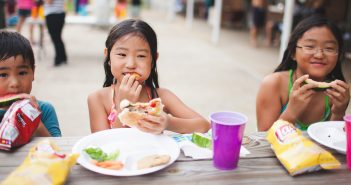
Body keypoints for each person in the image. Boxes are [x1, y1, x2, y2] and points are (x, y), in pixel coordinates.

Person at [88, 19, 210, 134]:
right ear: (108, 57)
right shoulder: (97, 99)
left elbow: (204, 125)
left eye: (141, 56)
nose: (131, 64)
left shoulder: (162, 96)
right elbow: (104, 145)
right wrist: (125, 107)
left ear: (153, 60)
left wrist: (168, 122)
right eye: (122, 54)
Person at [256, 15, 350, 131]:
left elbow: (333, 140)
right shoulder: (273, 84)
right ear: (293, 53)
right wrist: (291, 112)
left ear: (339, 55)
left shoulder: (334, 93)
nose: (319, 55)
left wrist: (338, 112)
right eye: (310, 46)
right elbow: (264, 141)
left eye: (329, 48)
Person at [0, 31, 61, 136]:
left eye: (22, 73)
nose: (15, 83)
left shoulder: (45, 110)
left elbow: (56, 147)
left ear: (33, 72)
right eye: (3, 75)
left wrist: (35, 122)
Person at [44, 0, 67, 67]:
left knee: (55, 38)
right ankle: (63, 58)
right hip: (60, 13)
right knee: (58, 38)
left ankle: (58, 60)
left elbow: (49, 2)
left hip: (52, 14)